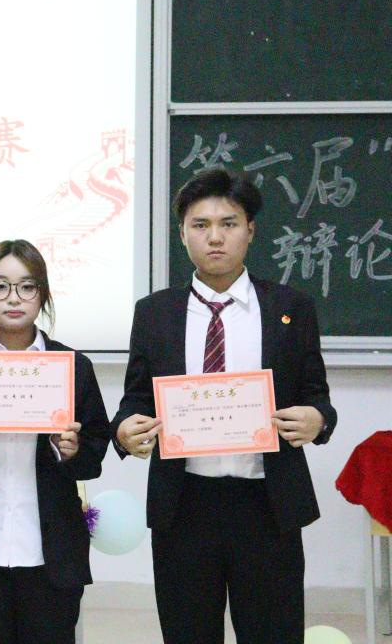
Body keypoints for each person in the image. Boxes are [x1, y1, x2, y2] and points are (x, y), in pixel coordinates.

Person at [112, 167, 337, 644]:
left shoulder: (291, 307)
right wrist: (124, 429)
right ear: (182, 234)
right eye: (201, 225)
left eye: (228, 223)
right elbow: (136, 397)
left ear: (250, 230)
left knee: (273, 634)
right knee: (188, 633)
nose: (215, 237)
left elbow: (317, 396)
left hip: (266, 505)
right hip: (184, 505)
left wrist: (317, 419)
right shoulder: (154, 313)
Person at [0, 239, 109, 644]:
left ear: (43, 295)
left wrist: (72, 451)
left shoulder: (72, 366)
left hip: (51, 553)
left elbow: (96, 451)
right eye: (0, 287)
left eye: (27, 287)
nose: (14, 298)